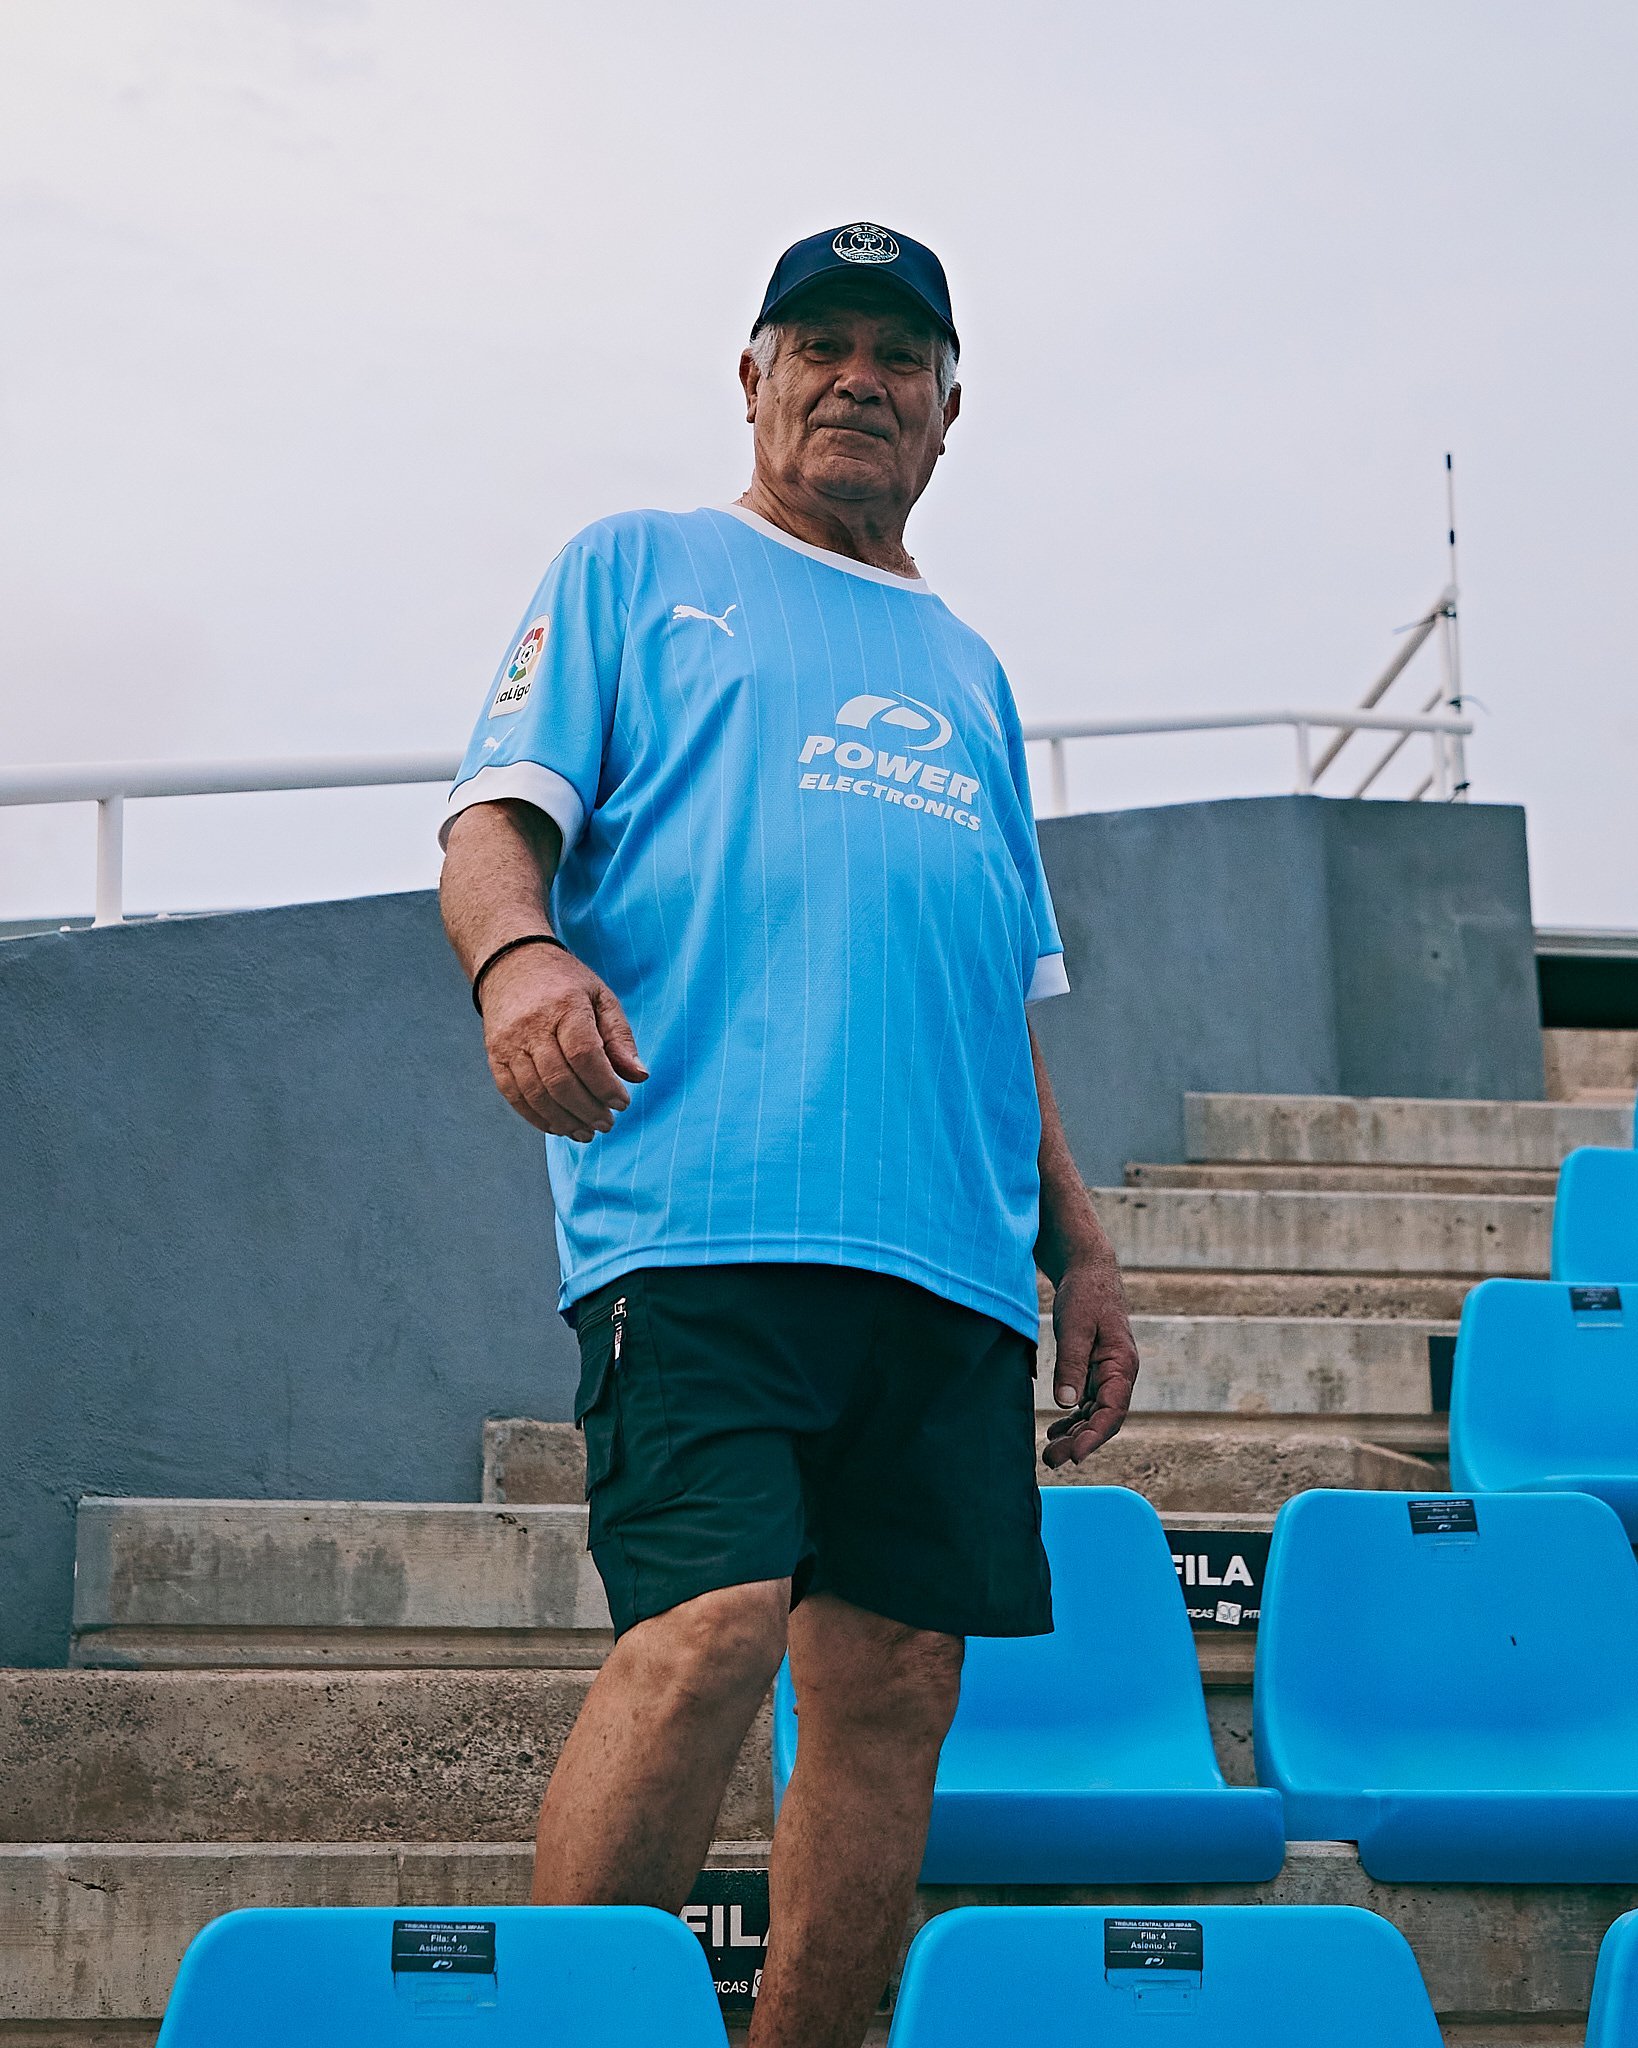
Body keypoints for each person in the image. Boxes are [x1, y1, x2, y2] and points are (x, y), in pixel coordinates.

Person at [438, 220, 1139, 2048]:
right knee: (710, 1630)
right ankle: (563, 2034)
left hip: (951, 1264)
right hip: (704, 1216)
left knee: (896, 1688)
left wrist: (1076, 1242)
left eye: (898, 356)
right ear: (751, 378)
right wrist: (519, 960)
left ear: (948, 410)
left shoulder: (969, 670)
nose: (857, 379)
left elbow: (991, 990)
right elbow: (491, 822)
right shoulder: (637, 567)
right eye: (818, 343)